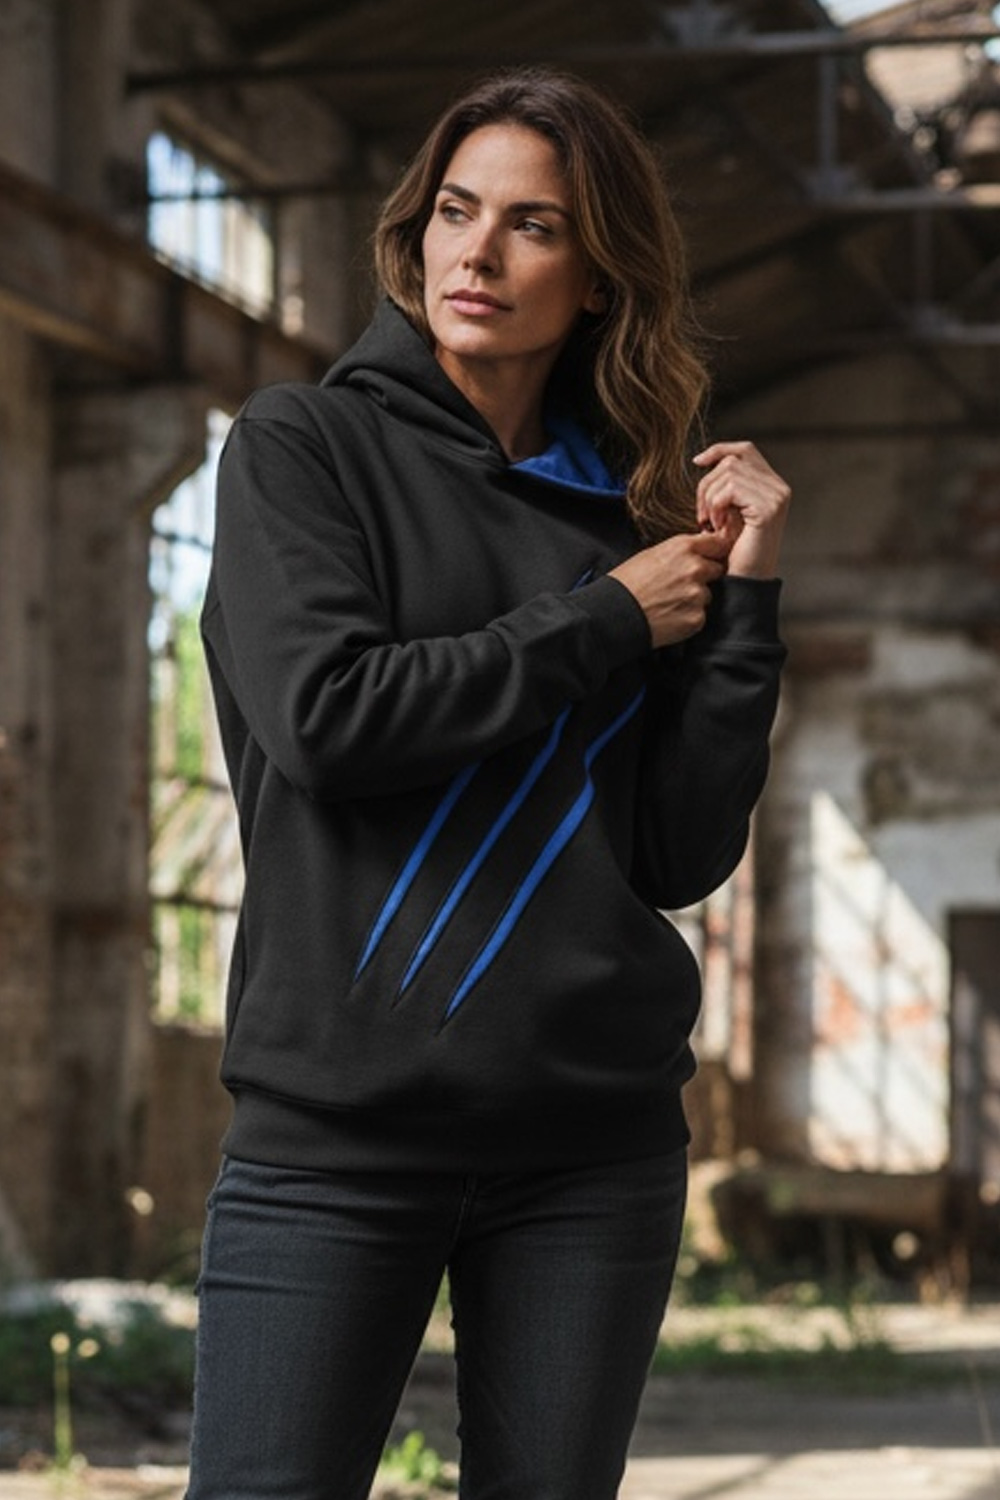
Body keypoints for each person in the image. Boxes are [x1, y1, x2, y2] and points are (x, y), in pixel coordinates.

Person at [190, 66, 790, 1500]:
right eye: (457, 212)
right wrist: (603, 623)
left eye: (534, 225)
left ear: (598, 278)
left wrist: (746, 611)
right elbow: (329, 722)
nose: (478, 254)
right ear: (418, 231)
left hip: (593, 1144)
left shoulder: (636, 513)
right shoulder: (304, 447)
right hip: (339, 1130)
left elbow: (676, 853)